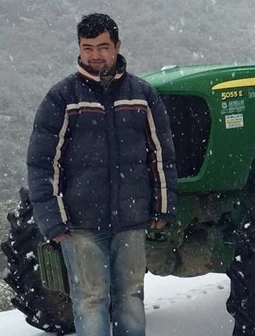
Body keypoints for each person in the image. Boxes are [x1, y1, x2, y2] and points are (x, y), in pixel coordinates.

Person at [26, 13, 177, 336]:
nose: (95, 55)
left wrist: (163, 206)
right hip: (80, 225)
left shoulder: (142, 95)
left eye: (103, 47)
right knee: (90, 300)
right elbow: (42, 163)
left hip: (130, 221)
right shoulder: (63, 98)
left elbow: (161, 155)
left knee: (131, 299)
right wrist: (53, 220)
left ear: (117, 46)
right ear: (79, 49)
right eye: (88, 47)